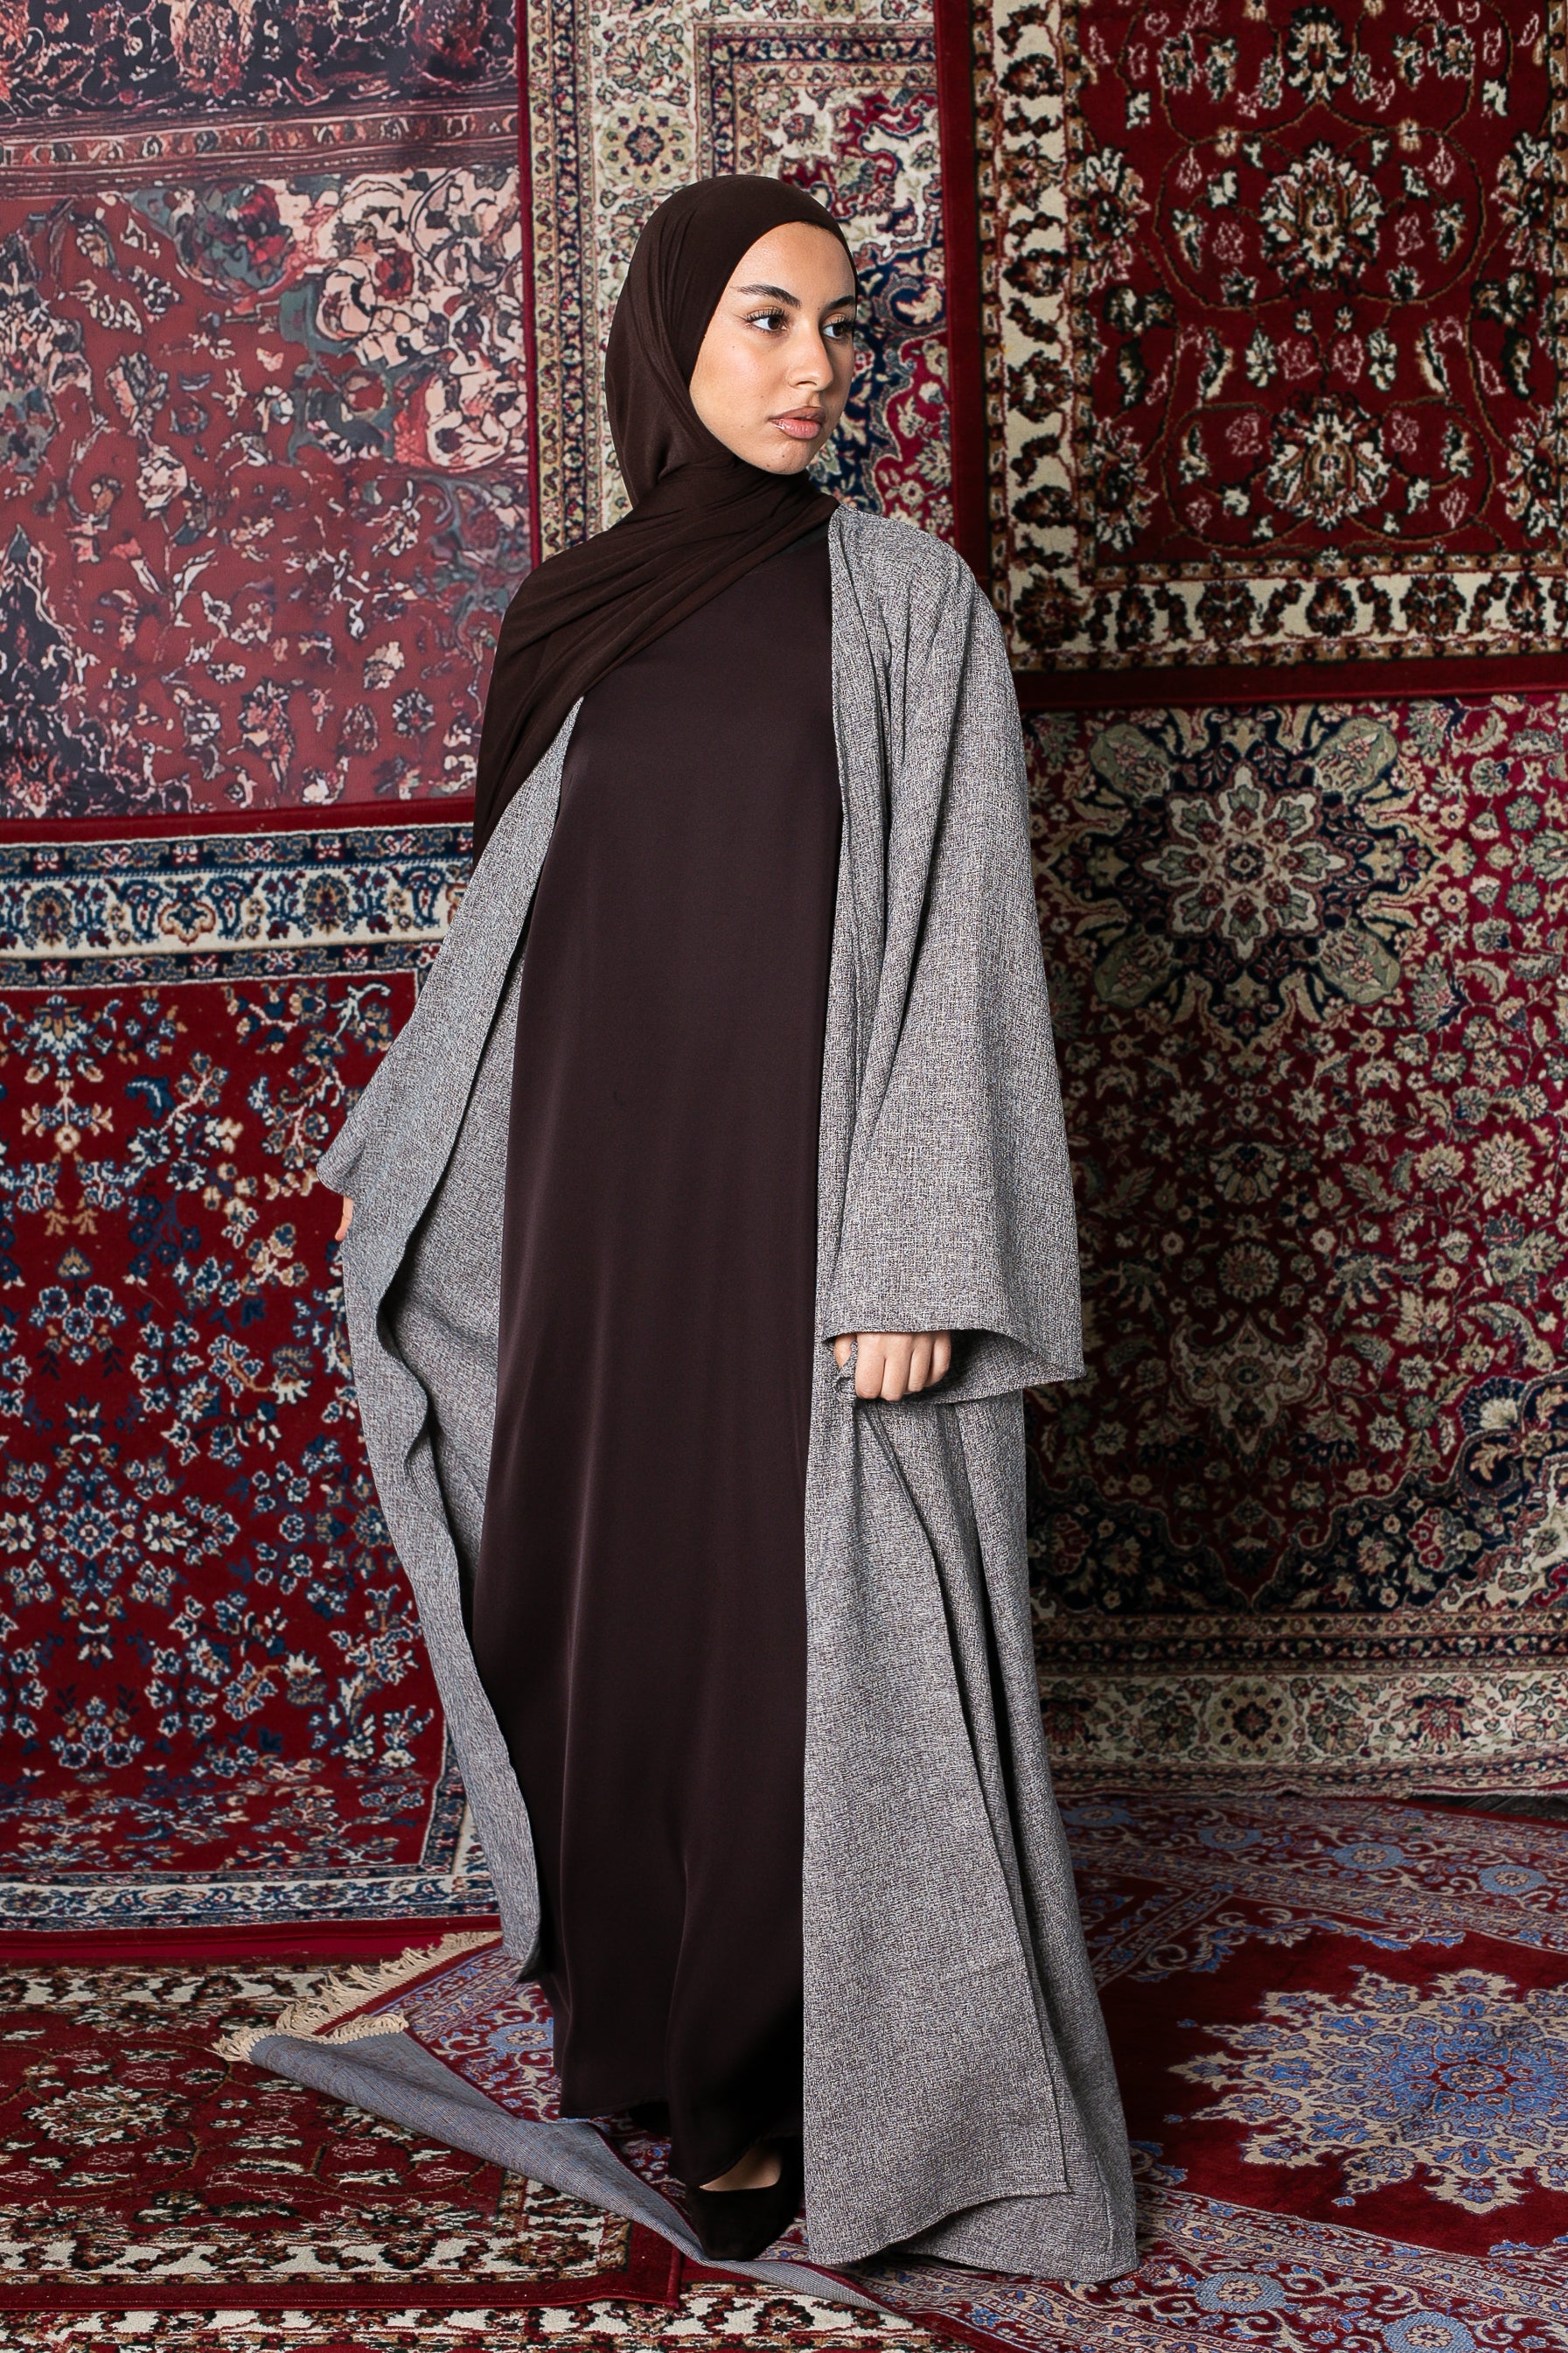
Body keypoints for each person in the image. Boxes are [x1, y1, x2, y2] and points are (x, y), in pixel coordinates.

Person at [321, 173, 1135, 2280]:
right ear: (671, 334)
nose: (813, 368)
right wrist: (430, 1191)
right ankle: (660, 2048)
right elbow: (518, 942)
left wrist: (918, 1252)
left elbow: (965, 940)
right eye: (767, 319)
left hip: (807, 1218)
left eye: (840, 329)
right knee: (623, 1634)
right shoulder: (569, 617)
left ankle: (792, 2092)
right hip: (595, 1230)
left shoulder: (905, 602)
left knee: (806, 1652)